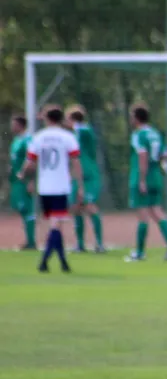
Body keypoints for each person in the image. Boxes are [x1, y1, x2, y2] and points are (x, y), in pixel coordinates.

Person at [19, 105, 83, 273]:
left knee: (55, 224)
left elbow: (30, 162)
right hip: (61, 186)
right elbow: (76, 162)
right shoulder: (67, 137)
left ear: (47, 119)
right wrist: (80, 185)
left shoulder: (39, 137)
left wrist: (23, 174)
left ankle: (62, 263)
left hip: (45, 188)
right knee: (56, 224)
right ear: (60, 118)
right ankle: (44, 261)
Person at [125, 103, 167, 262]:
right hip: (156, 176)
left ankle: (140, 253)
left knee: (142, 216)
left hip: (144, 176)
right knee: (157, 212)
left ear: (136, 117)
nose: (130, 119)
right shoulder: (155, 133)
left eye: (131, 116)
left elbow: (142, 156)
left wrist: (142, 179)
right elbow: (165, 155)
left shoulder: (138, 135)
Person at [65, 105, 105, 253]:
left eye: (67, 119)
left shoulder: (83, 130)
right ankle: (80, 244)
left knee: (89, 205)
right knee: (75, 207)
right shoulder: (76, 134)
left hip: (89, 175)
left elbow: (78, 130)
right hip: (78, 174)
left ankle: (100, 243)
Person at [9, 115, 36, 250]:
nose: (11, 126)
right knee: (21, 209)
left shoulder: (28, 139)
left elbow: (32, 160)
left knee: (27, 210)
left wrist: (31, 181)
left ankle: (31, 242)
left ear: (20, 125)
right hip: (16, 180)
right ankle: (28, 240)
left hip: (25, 180)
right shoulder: (16, 140)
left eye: (13, 124)